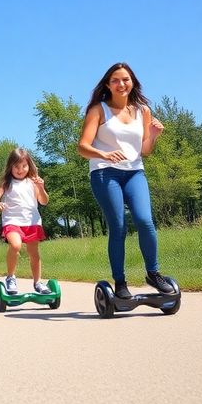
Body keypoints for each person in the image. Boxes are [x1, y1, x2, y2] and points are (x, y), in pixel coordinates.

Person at [77, 62, 174, 299]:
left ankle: (153, 273)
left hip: (134, 172)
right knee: (118, 227)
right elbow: (83, 147)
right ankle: (120, 282)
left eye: (126, 79)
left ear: (133, 82)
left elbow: (144, 151)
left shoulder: (143, 111)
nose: (121, 84)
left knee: (145, 221)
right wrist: (104, 154)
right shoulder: (98, 110)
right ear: (108, 85)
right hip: (104, 172)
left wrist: (153, 136)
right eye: (115, 80)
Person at [0, 147, 51, 295]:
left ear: (29, 166)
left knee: (34, 253)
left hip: (32, 223)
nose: (20, 170)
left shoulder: (33, 182)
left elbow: (44, 201)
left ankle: (38, 282)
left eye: (24, 166)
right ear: (11, 167)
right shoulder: (7, 184)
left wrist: (41, 188)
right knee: (15, 246)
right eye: (16, 166)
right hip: (12, 221)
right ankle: (10, 277)